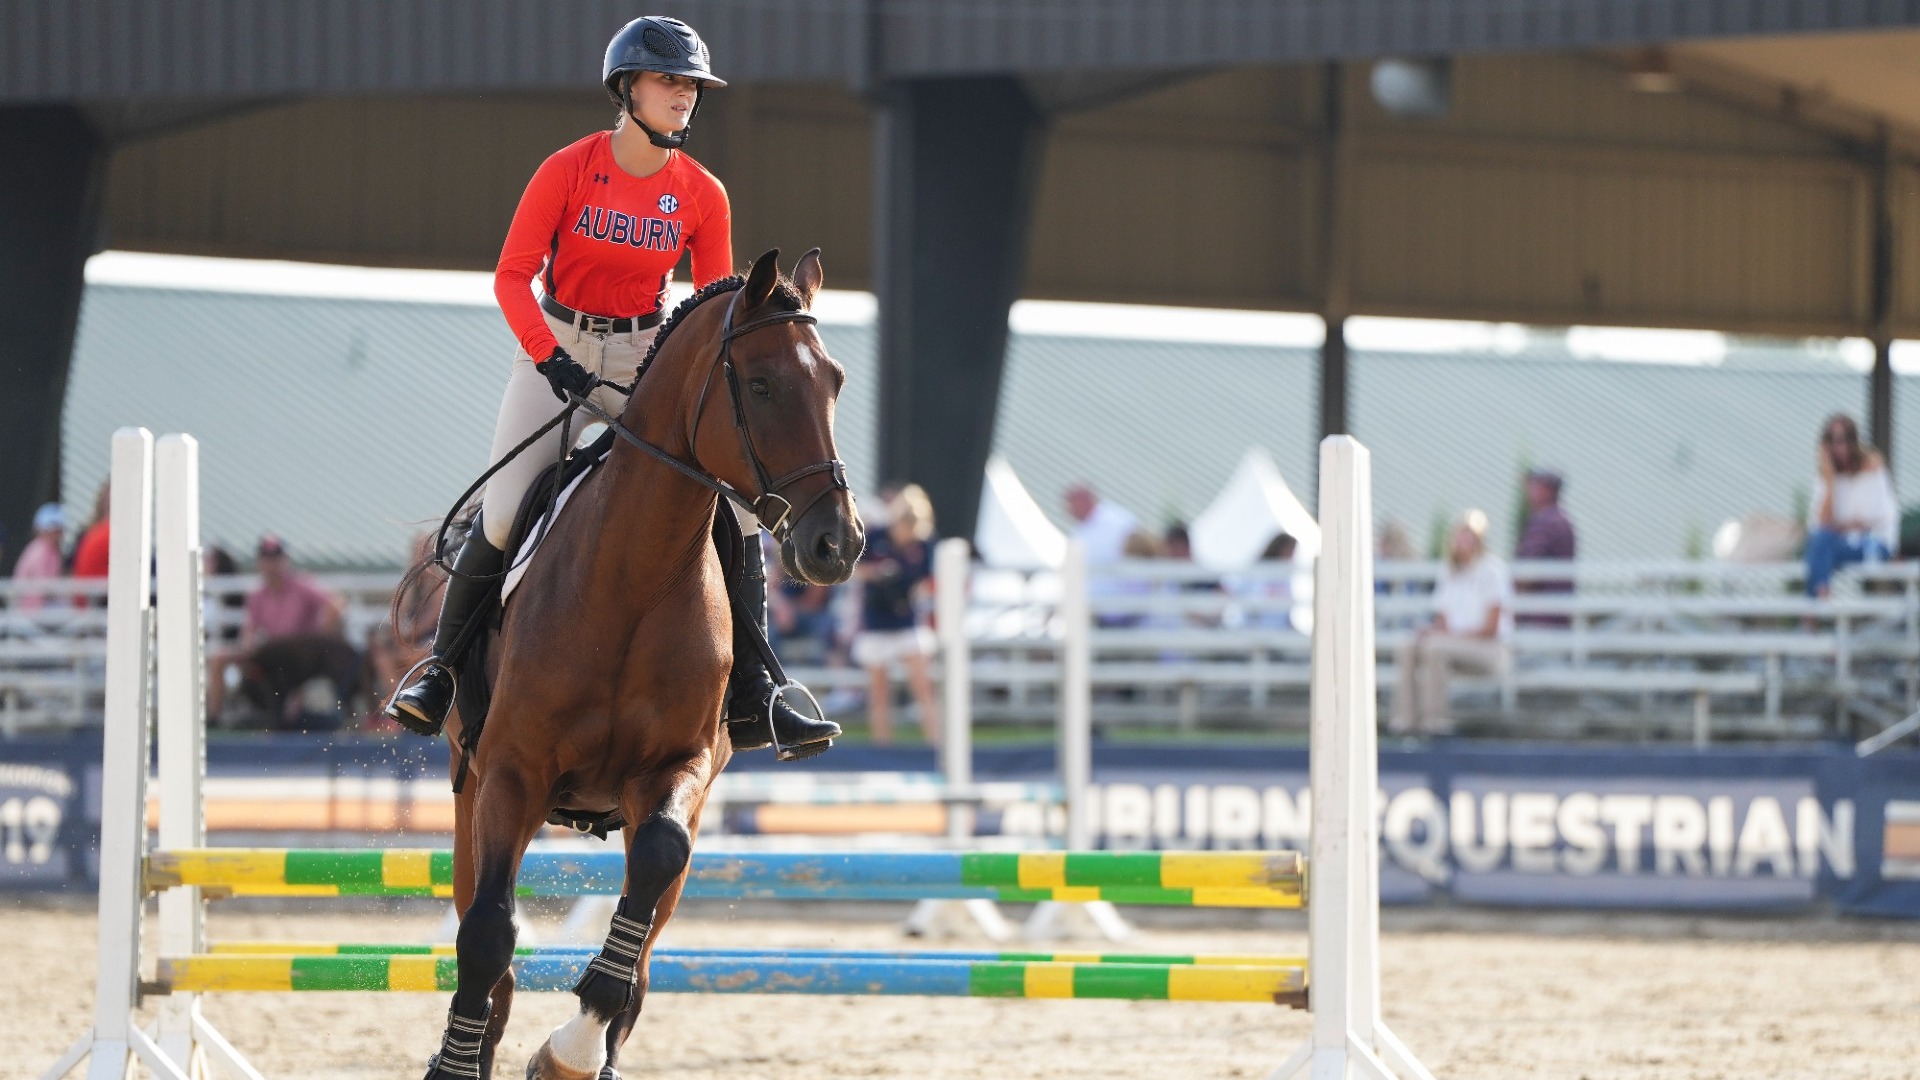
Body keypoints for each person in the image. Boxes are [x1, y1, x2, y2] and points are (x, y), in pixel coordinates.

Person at [383, 17, 838, 759]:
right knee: (502, 514)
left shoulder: (702, 193)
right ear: (627, 89)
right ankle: (438, 673)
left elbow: (719, 303)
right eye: (669, 82)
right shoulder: (567, 168)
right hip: (553, 347)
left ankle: (758, 691)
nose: (684, 97)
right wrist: (550, 358)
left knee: (740, 515)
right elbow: (510, 277)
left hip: (645, 356)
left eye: (691, 85)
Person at [1392, 511, 1512, 736]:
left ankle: (1435, 721)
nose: (1463, 540)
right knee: (1408, 646)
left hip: (1489, 649)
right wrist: (1431, 631)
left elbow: (1491, 629)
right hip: (1456, 645)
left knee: (1436, 648)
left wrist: (1448, 636)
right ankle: (1405, 720)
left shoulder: (1492, 570)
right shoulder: (1449, 571)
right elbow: (1444, 622)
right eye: (1460, 534)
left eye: (1470, 535)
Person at [853, 485, 940, 745]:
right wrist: (878, 573)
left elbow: (927, 581)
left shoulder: (923, 545)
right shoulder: (876, 535)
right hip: (876, 620)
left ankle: (935, 745)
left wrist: (912, 588)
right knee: (880, 692)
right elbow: (855, 569)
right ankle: (883, 747)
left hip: (907, 620)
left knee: (923, 687)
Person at [1806, 414, 1898, 598]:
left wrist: (1839, 526)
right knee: (1820, 544)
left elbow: (1871, 520)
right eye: (1830, 440)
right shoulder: (1827, 474)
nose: (1835, 446)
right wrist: (1830, 480)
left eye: (1840, 440)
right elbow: (1819, 524)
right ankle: (1821, 600)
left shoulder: (1872, 468)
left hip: (1875, 543)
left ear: (1853, 441)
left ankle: (1813, 614)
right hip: (1837, 545)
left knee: (1818, 553)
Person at [1514, 468, 1575, 627]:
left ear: (1546, 490)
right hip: (1559, 617)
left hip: (1538, 618)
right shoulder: (1563, 520)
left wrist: (1513, 601)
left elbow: (1528, 572)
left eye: (1534, 486)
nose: (1529, 491)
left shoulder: (1545, 522)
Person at [1065, 483, 1140, 565]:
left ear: (1084, 501)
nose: (1070, 510)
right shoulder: (1079, 530)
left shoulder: (1118, 520)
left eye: (1073, 504)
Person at [10, 503, 67, 611]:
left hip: (41, 606)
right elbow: (44, 586)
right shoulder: (39, 550)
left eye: (57, 530)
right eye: (51, 529)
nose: (55, 534)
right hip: (30, 609)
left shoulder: (52, 550)